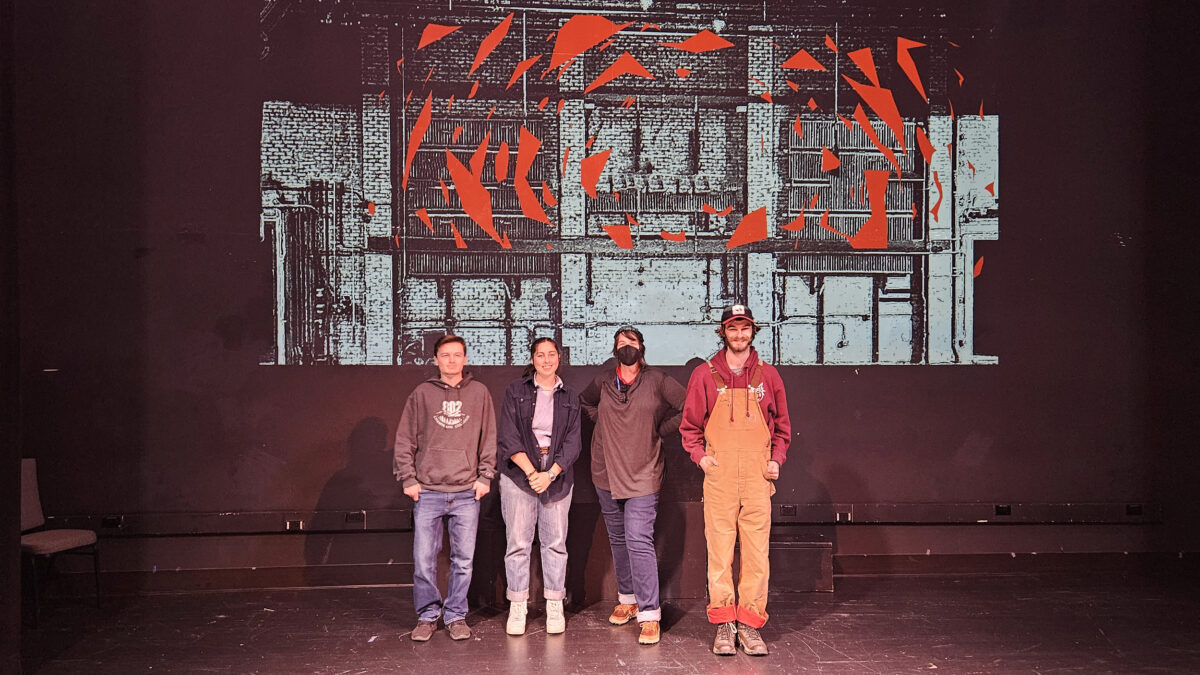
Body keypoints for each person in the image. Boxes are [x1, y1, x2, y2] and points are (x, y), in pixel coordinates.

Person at [680, 305, 791, 656]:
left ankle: (750, 625)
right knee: (720, 552)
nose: (739, 335)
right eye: (733, 329)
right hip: (721, 477)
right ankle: (724, 624)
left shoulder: (769, 376)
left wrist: (775, 459)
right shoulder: (705, 374)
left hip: (757, 478)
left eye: (744, 329)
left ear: (752, 331)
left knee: (758, 554)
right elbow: (689, 428)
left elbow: (783, 430)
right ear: (723, 332)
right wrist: (702, 459)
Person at [580, 326, 686, 645]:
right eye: (621, 343)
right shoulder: (602, 381)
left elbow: (687, 409)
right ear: (615, 349)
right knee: (618, 539)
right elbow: (585, 402)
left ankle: (650, 613)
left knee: (638, 539)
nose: (627, 346)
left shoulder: (658, 380)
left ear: (642, 348)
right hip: (605, 473)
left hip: (643, 473)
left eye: (632, 342)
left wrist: (658, 429)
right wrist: (604, 421)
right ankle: (628, 600)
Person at [393, 334, 497, 642]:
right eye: (445, 355)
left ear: (465, 360)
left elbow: (489, 437)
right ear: (436, 360)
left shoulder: (479, 393)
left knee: (463, 561)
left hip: (467, 492)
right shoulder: (422, 394)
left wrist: (485, 476)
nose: (451, 360)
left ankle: (455, 615)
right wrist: (409, 479)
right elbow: (405, 439)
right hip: (428, 491)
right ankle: (427, 615)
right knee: (424, 559)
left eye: (457, 355)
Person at [496, 337, 582, 636]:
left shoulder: (571, 396)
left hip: (556, 477)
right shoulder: (515, 391)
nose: (546, 360)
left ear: (559, 357)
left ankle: (554, 604)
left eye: (552, 354)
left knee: (555, 544)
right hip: (520, 475)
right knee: (518, 543)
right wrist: (533, 472)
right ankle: (518, 605)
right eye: (540, 355)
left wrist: (551, 473)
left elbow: (573, 443)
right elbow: (508, 436)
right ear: (532, 359)